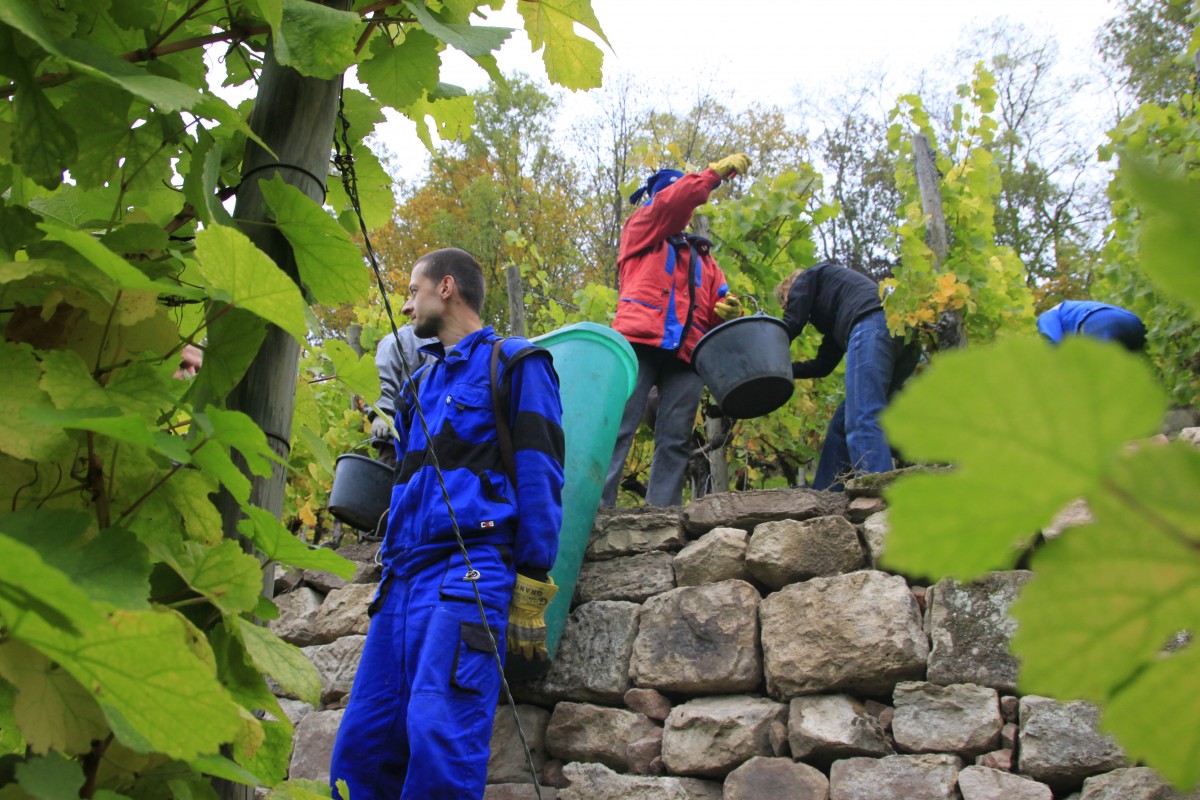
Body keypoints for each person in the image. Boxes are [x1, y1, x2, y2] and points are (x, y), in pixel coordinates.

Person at [329, 248, 565, 800]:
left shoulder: (516, 362)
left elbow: (541, 474)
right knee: (361, 747)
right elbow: (404, 487)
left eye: (413, 290)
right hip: (401, 581)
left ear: (447, 288)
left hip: (469, 574)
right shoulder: (418, 387)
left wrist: (531, 581)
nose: (406, 304)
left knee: (439, 737)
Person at [600, 154, 750, 508]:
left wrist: (730, 310)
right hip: (639, 340)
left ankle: (662, 514)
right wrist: (711, 175)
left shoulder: (705, 259)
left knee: (676, 438)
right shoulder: (640, 229)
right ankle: (595, 506)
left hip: (687, 354)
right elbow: (672, 205)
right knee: (618, 425)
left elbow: (719, 303)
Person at [776, 261, 920, 492]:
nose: (785, 305)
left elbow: (792, 323)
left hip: (874, 324)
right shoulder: (837, 315)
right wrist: (781, 369)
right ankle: (826, 494)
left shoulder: (809, 275)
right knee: (843, 424)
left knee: (862, 416)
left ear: (793, 286)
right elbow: (822, 366)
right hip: (903, 335)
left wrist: (764, 356)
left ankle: (878, 491)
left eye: (785, 299)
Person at [369, 324, 436, 466]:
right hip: (396, 441)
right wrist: (382, 413)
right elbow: (379, 378)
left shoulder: (447, 345)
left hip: (431, 445)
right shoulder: (403, 338)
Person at [1037, 300, 1146, 352]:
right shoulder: (1071, 307)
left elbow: (1052, 344)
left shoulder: (1048, 315)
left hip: (1100, 322)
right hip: (1133, 322)